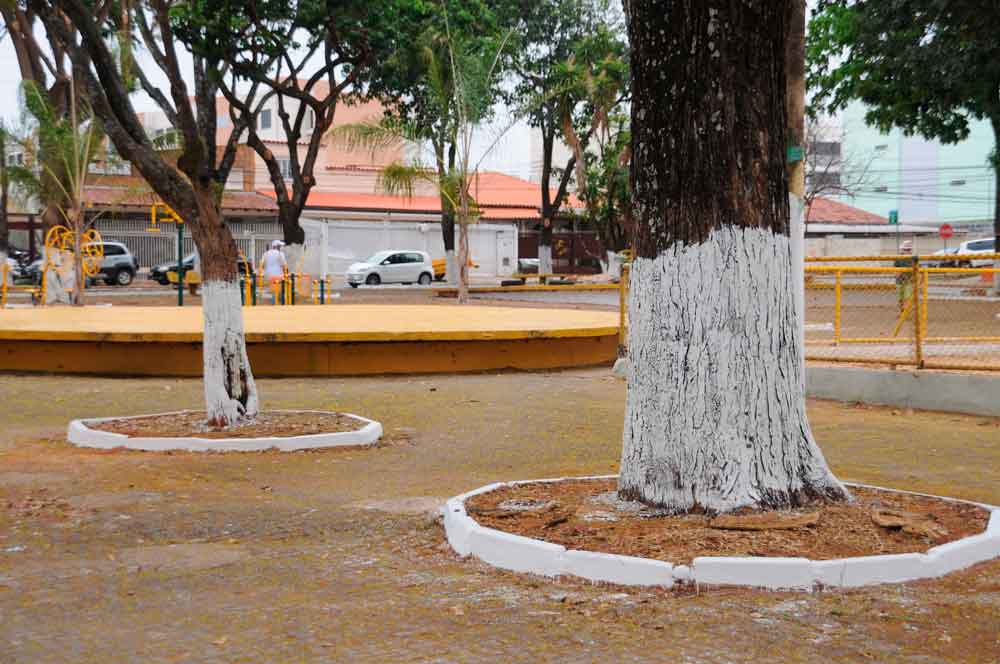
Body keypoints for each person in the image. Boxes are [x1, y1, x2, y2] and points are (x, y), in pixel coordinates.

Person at [894, 240, 915, 313]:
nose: (907, 251)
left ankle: (905, 312)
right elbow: (895, 269)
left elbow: (916, 269)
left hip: (909, 281)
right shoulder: (898, 258)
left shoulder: (913, 258)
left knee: (907, 297)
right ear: (902, 250)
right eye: (906, 249)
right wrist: (897, 274)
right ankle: (902, 311)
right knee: (900, 298)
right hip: (899, 280)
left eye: (908, 249)